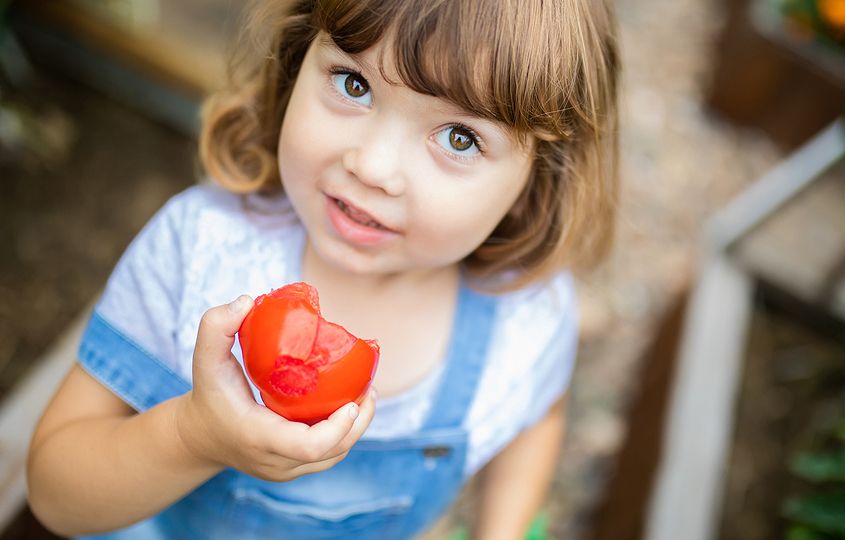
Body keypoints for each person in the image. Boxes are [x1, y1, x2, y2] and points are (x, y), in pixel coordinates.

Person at [26, 0, 620, 538]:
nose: (373, 166)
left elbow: (537, 415)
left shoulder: (526, 319)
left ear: (537, 176)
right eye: (353, 82)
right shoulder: (201, 251)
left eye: (461, 138)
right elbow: (55, 493)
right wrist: (194, 435)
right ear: (296, 58)